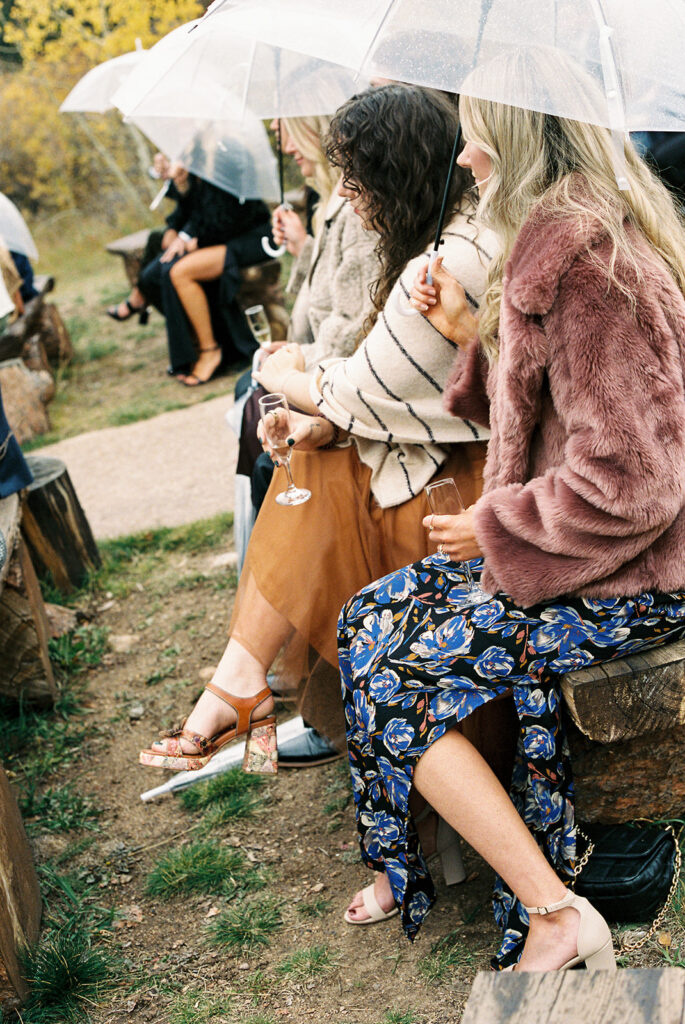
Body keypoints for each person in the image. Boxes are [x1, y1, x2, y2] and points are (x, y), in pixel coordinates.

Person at [338, 54, 685, 970]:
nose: (465, 157)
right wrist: (470, 336)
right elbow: (552, 421)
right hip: (586, 555)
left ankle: (556, 916)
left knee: (397, 674)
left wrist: (497, 527)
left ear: (520, 136)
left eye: (478, 131)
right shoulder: (557, 244)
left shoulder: (591, 267)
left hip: (640, 579)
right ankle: (439, 853)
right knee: (364, 618)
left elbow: (637, 483)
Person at [138, 84, 500, 778]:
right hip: (443, 453)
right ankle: (251, 686)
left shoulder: (445, 258)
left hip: (467, 488)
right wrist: (318, 414)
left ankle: (249, 689)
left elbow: (363, 387)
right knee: (311, 460)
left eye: (353, 180)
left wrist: (284, 375)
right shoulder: (430, 241)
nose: (344, 194)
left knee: (314, 470)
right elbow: (370, 367)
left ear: (391, 176)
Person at [232, 113, 380, 591]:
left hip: (340, 374)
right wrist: (302, 248)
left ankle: (280, 585)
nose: (285, 145)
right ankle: (265, 573)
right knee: (252, 396)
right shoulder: (326, 206)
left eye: (288, 130)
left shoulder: (354, 208)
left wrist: (295, 362)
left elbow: (347, 322)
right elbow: (323, 303)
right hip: (326, 364)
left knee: (259, 416)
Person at [106, 154, 193, 325]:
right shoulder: (187, 152)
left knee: (151, 276)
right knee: (155, 239)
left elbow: (203, 204)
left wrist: (183, 235)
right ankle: (140, 297)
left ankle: (140, 299)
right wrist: (170, 177)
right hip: (189, 223)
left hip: (204, 229)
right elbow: (185, 200)